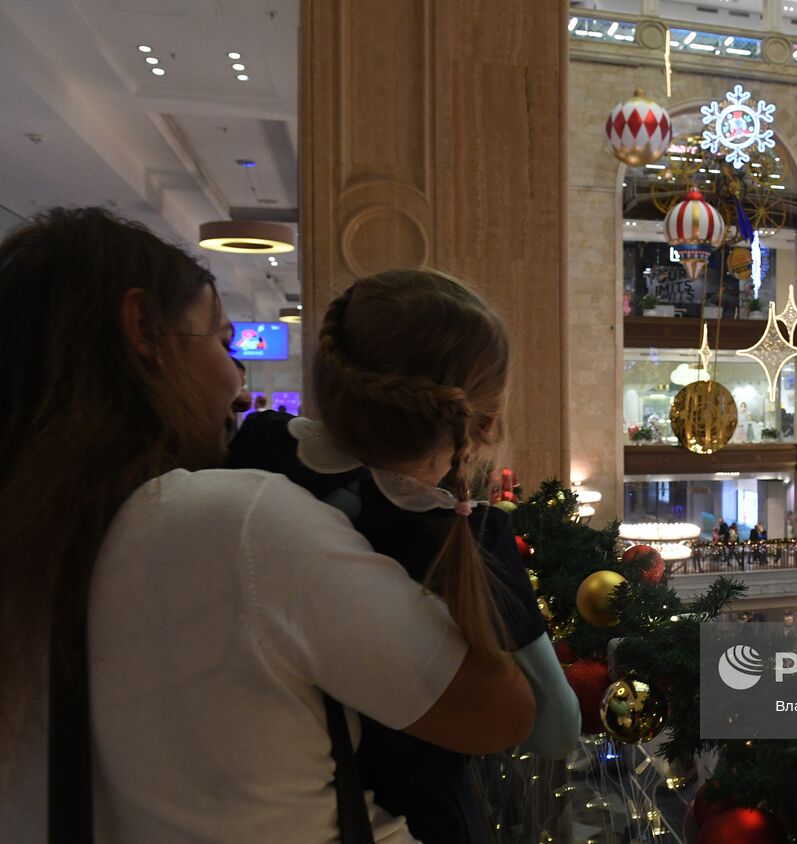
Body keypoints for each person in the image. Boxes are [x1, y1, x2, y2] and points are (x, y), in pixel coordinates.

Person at [0, 208, 535, 841]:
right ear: (142, 328)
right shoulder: (234, 523)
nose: (238, 383)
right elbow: (500, 712)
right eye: (222, 342)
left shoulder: (41, 528)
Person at [228, 270, 580, 843]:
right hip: (416, 823)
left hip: (258, 798)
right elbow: (555, 727)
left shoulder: (260, 447)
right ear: (485, 424)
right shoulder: (467, 536)